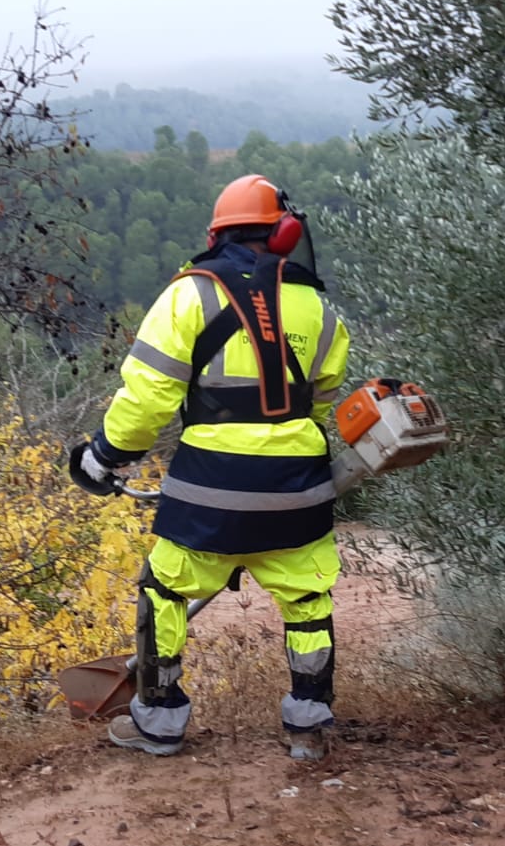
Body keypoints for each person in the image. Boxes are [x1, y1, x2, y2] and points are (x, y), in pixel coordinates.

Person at [68, 175, 351, 762]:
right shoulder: (315, 303)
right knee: (307, 600)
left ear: (215, 234)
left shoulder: (187, 295)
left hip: (210, 489)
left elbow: (146, 402)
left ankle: (161, 721)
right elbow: (324, 397)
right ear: (283, 233)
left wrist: (104, 457)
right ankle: (308, 726)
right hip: (298, 487)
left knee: (164, 590)